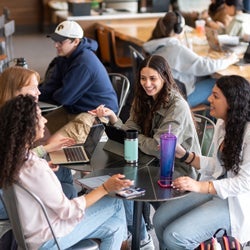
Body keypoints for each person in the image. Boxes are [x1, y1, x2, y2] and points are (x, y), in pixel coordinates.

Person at [89, 55, 201, 249]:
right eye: (143, 78)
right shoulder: (142, 98)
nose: (147, 84)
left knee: (123, 186)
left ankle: (140, 239)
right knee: (118, 182)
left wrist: (132, 137)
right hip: (148, 162)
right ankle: (141, 239)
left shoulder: (177, 107)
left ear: (164, 78)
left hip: (176, 170)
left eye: (153, 79)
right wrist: (114, 120)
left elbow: (159, 148)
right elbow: (131, 129)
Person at [0, 94, 133, 250]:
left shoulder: (15, 157)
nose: (45, 120)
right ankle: (138, 240)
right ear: (27, 126)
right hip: (49, 238)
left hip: (33, 233)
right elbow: (68, 211)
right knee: (115, 201)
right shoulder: (35, 168)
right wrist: (104, 188)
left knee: (115, 226)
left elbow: (32, 173)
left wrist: (44, 166)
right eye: (39, 117)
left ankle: (125, 240)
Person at [153, 75, 250, 249]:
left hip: (236, 203)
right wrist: (185, 155)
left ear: (232, 102)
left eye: (216, 96)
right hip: (215, 190)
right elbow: (218, 165)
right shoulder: (223, 123)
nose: (208, 99)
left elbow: (245, 183)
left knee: (175, 236)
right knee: (159, 220)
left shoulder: (248, 133)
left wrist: (199, 186)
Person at [0, 66, 77, 202]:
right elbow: (11, 166)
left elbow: (14, 160)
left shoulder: (10, 116)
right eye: (33, 88)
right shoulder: (10, 123)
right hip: (6, 197)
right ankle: (63, 209)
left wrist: (42, 161)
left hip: (12, 182)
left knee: (63, 171)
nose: (38, 92)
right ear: (16, 90)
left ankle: (62, 207)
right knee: (68, 189)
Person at [39, 20, 118, 143]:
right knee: (36, 133)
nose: (56, 45)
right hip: (74, 108)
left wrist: (56, 92)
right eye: (55, 40)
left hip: (96, 114)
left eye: (61, 41)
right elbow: (51, 85)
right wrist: (34, 93)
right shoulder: (64, 57)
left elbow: (64, 98)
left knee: (51, 144)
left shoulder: (84, 63)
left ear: (76, 41)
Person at [143, 11, 239, 108]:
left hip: (160, 94)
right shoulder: (176, 49)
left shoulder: (156, 44)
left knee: (207, 80)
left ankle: (206, 118)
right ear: (179, 29)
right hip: (174, 100)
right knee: (218, 85)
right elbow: (205, 66)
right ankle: (210, 119)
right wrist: (229, 60)